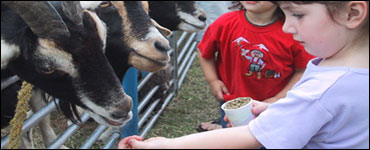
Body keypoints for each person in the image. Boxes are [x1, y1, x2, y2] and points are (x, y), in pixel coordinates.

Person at [118, 1, 369, 149]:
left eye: (298, 14)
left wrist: (167, 145)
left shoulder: (322, 91)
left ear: (353, 13)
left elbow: (254, 136)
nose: (287, 26)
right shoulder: (350, 72)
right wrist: (278, 110)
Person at [197, 1, 314, 131]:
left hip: (274, 107)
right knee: (235, 140)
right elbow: (204, 53)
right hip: (233, 105)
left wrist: (278, 98)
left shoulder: (293, 32)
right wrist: (213, 80)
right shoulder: (225, 23)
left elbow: (303, 70)